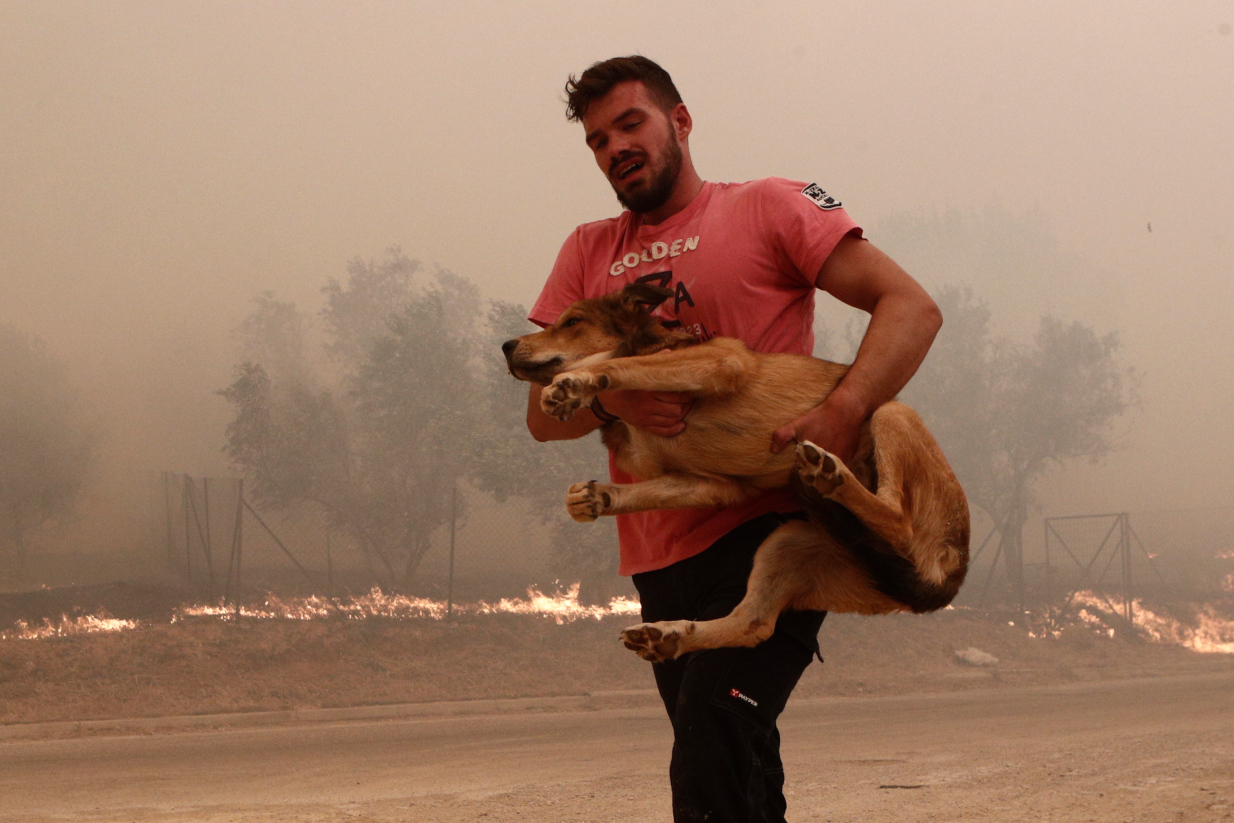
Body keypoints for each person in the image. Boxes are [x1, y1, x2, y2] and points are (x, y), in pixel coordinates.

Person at [524, 56, 941, 822]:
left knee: (711, 745)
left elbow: (910, 307)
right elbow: (543, 416)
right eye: (597, 140)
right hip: (659, 555)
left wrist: (844, 411)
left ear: (681, 121)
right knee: (739, 765)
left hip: (771, 528)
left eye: (630, 124)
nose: (615, 148)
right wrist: (616, 395)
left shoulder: (768, 207)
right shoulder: (586, 252)